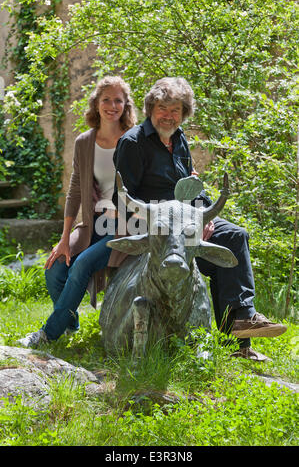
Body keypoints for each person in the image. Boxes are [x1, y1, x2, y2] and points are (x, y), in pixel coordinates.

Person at [112, 77, 287, 361]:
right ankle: (237, 333)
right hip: (161, 230)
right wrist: (170, 224)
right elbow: (123, 199)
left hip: (189, 223)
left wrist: (203, 216)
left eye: (176, 110)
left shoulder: (179, 140)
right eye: (162, 108)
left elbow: (190, 186)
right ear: (150, 109)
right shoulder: (133, 142)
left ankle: (241, 331)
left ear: (184, 113)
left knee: (233, 236)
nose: (169, 116)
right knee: (227, 239)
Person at [18, 75, 137, 348]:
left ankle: (48, 334)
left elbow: (146, 184)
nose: (112, 105)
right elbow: (74, 191)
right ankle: (70, 325)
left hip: (125, 228)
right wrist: (63, 238)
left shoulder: (135, 140)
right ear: (96, 103)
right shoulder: (85, 142)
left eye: (118, 100)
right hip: (93, 224)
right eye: (106, 99)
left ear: (126, 105)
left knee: (82, 265)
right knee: (55, 267)